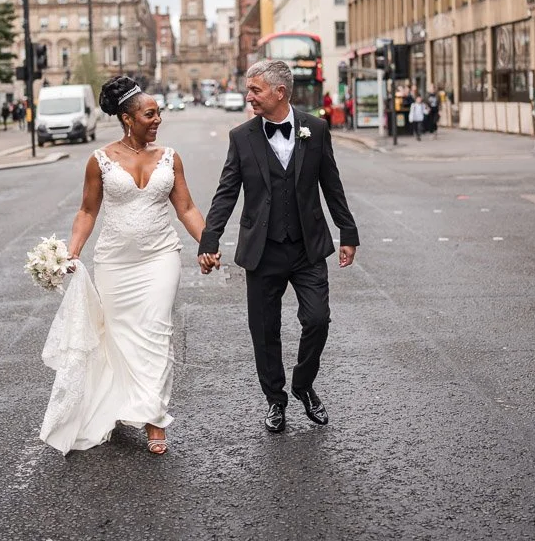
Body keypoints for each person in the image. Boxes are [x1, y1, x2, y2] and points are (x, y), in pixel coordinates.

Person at [42, 75, 207, 456]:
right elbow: (87, 210)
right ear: (127, 118)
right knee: (119, 338)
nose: (157, 120)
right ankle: (119, 403)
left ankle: (154, 420)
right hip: (115, 263)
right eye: (150, 114)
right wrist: (73, 251)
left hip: (160, 257)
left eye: (158, 114)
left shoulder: (170, 157)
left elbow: (186, 208)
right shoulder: (99, 160)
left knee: (156, 332)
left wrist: (207, 244)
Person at [197, 59, 359, 434]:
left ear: (279, 92)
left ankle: (303, 385)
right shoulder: (242, 136)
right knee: (265, 330)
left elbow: (331, 185)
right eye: (249, 89)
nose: (248, 96)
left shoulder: (315, 130)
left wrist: (347, 233)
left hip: (307, 247)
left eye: (255, 90)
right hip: (262, 250)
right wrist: (210, 238)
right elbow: (226, 192)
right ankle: (276, 400)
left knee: (318, 319)